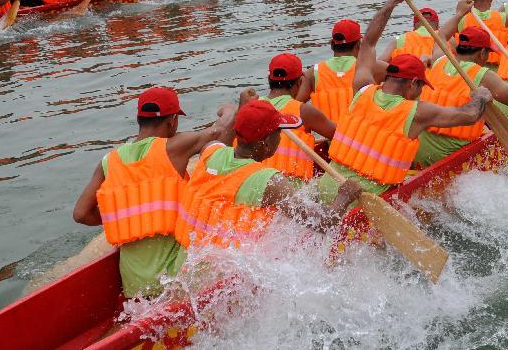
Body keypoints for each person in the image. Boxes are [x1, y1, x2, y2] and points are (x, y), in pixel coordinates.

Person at [318, 0, 492, 204]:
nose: (420, 93)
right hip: (362, 202)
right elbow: (469, 115)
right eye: (421, 87)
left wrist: (391, 2)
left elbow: (369, 43)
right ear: (412, 84)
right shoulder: (418, 112)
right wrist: (480, 97)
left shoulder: (361, 88)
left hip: (326, 187)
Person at [72, 87, 238, 299]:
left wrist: (125, 215)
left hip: (134, 285)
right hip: (171, 280)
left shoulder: (109, 161)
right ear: (172, 122)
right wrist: (230, 108)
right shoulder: (173, 148)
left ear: (139, 119)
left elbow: (80, 214)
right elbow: (221, 131)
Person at [174, 98, 362, 255]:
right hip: (223, 276)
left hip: (190, 259)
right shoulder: (271, 182)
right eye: (279, 133)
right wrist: (344, 196)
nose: (281, 138)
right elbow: (323, 223)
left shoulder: (210, 150)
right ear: (265, 143)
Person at [415, 26, 508, 167]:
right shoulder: (484, 75)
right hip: (446, 156)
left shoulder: (439, 59)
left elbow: (441, 34)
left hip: (419, 149)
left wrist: (460, 12)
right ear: (483, 53)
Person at [259, 53, 336, 183]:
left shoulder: (250, 107)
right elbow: (341, 137)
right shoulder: (305, 111)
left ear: (269, 79)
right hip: (293, 193)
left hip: (255, 183)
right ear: (300, 82)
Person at [296, 19, 366, 124]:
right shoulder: (369, 68)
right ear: (359, 44)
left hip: (328, 138)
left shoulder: (313, 73)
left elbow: (294, 106)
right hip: (358, 136)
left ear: (332, 44)